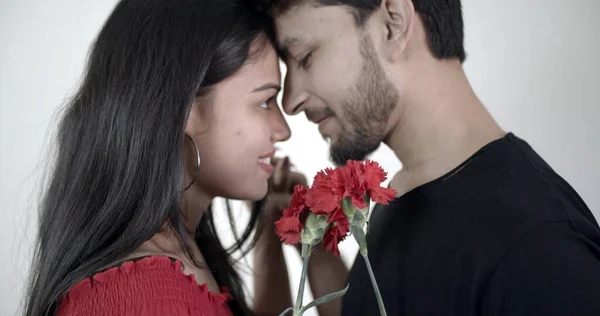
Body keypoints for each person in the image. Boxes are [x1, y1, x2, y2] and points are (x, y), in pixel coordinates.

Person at [252, 0, 600, 315]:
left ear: (393, 22)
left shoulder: (538, 250)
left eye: (304, 57)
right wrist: (314, 246)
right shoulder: (407, 191)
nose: (290, 100)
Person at [23, 0, 293, 315]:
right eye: (265, 101)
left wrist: (273, 235)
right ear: (184, 109)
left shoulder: (180, 255)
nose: (282, 130)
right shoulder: (141, 297)